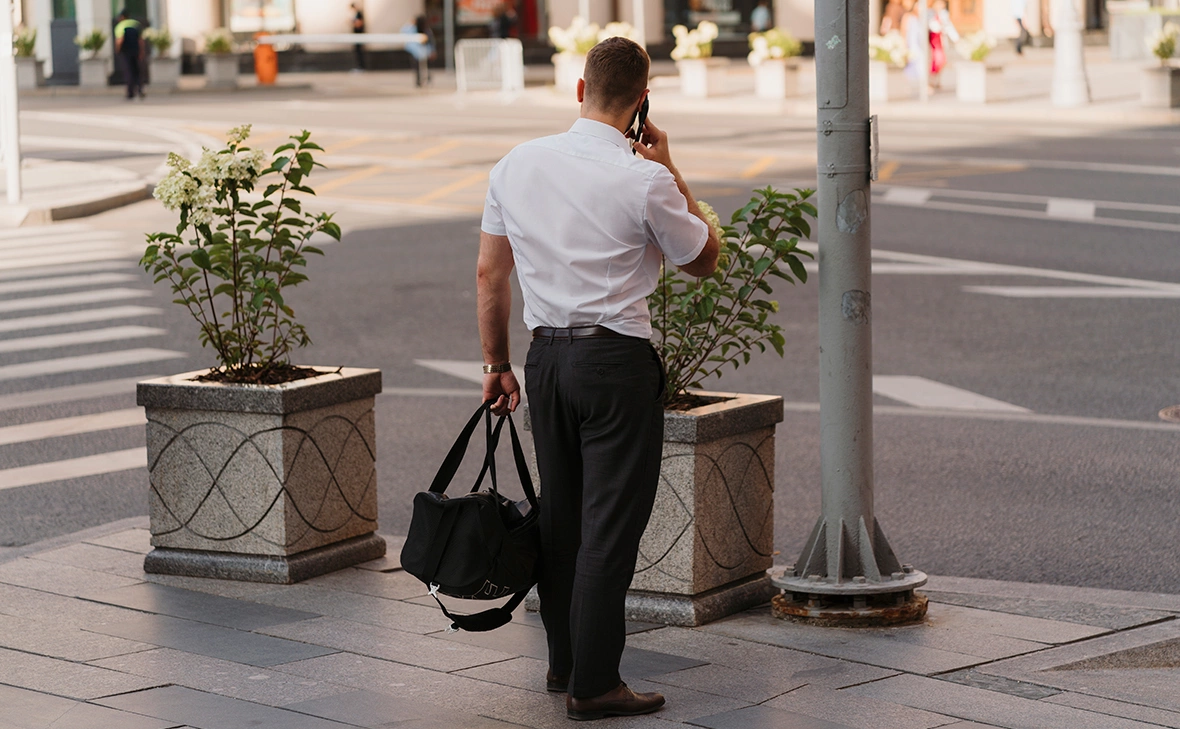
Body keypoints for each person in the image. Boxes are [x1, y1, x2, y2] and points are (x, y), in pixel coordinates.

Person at [476, 37, 719, 721]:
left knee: (563, 519)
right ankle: (596, 683)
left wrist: (495, 364)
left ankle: (565, 664)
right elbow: (703, 258)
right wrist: (670, 167)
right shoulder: (644, 177)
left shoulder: (516, 164)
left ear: (579, 90)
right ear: (643, 101)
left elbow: (491, 275)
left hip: (544, 359)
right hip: (614, 364)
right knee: (610, 525)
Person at [113, 9, 145, 100]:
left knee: (129, 71)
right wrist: (141, 51)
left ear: (122, 17)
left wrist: (118, 50)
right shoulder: (136, 23)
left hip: (126, 52)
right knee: (137, 71)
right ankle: (140, 90)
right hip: (136, 51)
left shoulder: (120, 25)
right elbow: (140, 40)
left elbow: (120, 40)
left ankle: (130, 92)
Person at [402, 15, 435, 87]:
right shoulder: (413, 29)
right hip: (416, 52)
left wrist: (432, 50)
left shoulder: (426, 30)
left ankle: (424, 78)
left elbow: (431, 41)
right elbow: (404, 31)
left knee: (422, 67)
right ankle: (421, 80)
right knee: (418, 67)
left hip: (423, 52)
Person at [350, 2, 366, 70]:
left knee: (359, 52)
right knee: (357, 51)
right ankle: (359, 67)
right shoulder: (356, 14)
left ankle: (361, 67)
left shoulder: (359, 14)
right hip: (356, 36)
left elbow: (360, 23)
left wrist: (353, 22)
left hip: (359, 36)